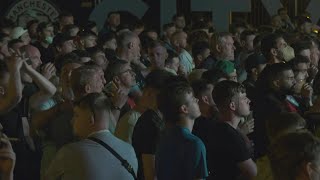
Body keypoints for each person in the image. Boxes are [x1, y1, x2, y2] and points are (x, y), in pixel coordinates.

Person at [46, 93, 138, 180]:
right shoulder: (130, 150)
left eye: (76, 115)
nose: (72, 121)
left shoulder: (70, 152)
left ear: (91, 119)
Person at [156, 77, 208, 180]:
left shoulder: (163, 138)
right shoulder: (194, 143)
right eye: (193, 99)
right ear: (184, 109)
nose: (197, 100)